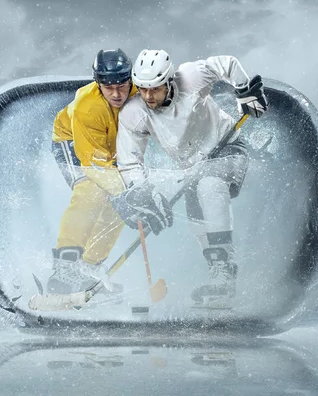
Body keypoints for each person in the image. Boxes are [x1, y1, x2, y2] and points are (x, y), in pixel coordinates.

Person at [113, 49, 269, 304]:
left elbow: (226, 63)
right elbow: (129, 161)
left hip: (227, 146)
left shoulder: (191, 77)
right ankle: (219, 278)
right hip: (192, 167)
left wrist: (244, 91)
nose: (148, 96)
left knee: (209, 185)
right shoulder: (133, 113)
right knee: (197, 214)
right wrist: (142, 192)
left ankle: (226, 269)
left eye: (155, 88)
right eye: (142, 89)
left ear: (169, 80)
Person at [47, 48, 138, 295]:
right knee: (93, 190)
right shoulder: (86, 107)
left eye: (122, 84)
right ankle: (65, 269)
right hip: (74, 144)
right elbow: (95, 166)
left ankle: (89, 268)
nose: (117, 93)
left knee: (118, 206)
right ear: (98, 83)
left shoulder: (144, 91)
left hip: (111, 144)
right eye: (109, 87)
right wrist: (125, 193)